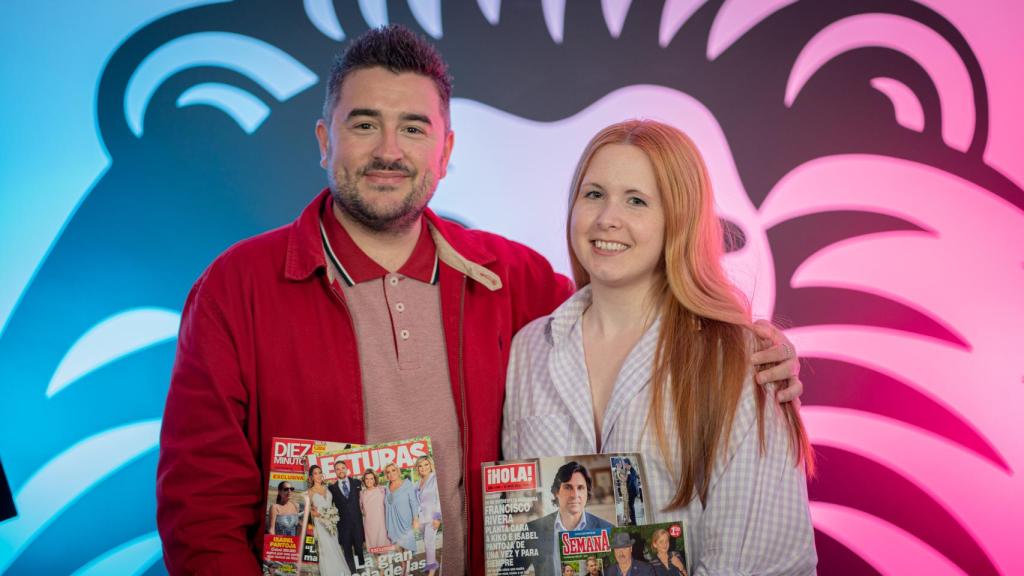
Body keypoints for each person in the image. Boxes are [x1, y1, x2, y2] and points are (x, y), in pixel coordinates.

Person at [155, 24, 805, 576]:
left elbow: (629, 305)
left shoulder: (511, 282)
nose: (389, 150)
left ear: (446, 151)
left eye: (413, 127)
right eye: (364, 124)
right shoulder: (235, 290)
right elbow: (201, 511)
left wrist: (751, 345)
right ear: (325, 139)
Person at [502, 120, 817, 575]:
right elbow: (526, 545)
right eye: (593, 195)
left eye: (636, 200)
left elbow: (761, 563)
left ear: (679, 219)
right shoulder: (529, 350)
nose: (607, 217)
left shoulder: (741, 361)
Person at [514, 461, 613, 575]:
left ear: (587, 492)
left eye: (580, 488)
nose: (575, 494)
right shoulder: (533, 529)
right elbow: (506, 571)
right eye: (568, 487)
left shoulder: (607, 529)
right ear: (556, 492)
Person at [308, 465, 351, 576]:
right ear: (312, 477)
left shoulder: (327, 488)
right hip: (320, 524)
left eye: (320, 472)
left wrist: (332, 515)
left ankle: (341, 572)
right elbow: (308, 511)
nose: (318, 475)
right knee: (326, 549)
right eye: (315, 473)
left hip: (331, 523)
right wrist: (317, 514)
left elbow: (333, 504)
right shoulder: (310, 492)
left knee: (335, 546)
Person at [327, 460, 365, 572]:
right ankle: (352, 573)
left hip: (357, 525)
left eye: (342, 468)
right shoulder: (332, 489)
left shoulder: (357, 483)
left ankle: (362, 571)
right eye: (337, 469)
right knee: (347, 552)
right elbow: (329, 507)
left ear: (346, 469)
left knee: (359, 550)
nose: (341, 470)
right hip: (343, 528)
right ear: (335, 472)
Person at [413, 456, 441, 575]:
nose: (423, 468)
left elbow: (439, 499)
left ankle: (432, 569)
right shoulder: (417, 483)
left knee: (429, 542)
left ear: (430, 466)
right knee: (426, 542)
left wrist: (437, 517)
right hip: (422, 519)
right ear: (417, 469)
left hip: (432, 517)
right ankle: (430, 563)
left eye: (426, 465)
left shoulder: (435, 478)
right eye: (420, 466)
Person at [383, 462, 418, 553]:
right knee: (398, 547)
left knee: (407, 546)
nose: (391, 473)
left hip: (405, 521)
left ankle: (407, 566)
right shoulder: (386, 488)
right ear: (386, 475)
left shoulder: (407, 484)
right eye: (388, 472)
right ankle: (403, 565)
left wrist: (415, 519)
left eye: (393, 470)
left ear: (398, 471)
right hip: (392, 522)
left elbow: (413, 502)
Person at [359, 468, 391, 550]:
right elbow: (361, 509)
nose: (369, 481)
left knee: (384, 547)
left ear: (375, 479)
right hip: (369, 525)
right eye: (366, 479)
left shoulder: (382, 490)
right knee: (374, 549)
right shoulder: (362, 493)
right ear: (364, 480)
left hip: (382, 524)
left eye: (371, 478)